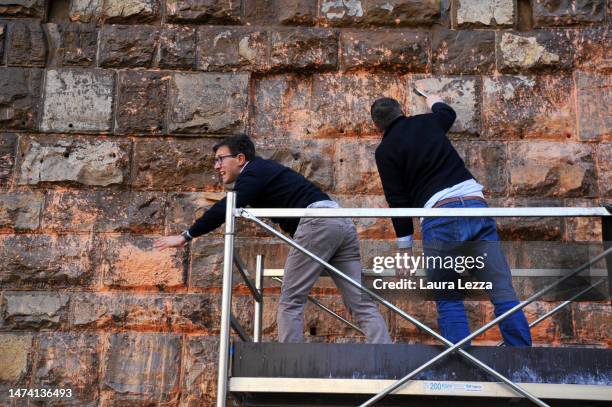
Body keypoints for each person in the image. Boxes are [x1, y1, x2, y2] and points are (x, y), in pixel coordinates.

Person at [155, 134, 392, 344]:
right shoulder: (265, 171)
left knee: (291, 300)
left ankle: (290, 367)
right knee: (359, 301)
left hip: (318, 224)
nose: (217, 166)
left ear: (239, 159)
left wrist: (186, 236)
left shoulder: (253, 172)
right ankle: (387, 355)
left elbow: (226, 207)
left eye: (220, 159)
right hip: (340, 222)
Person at [370, 96, 531, 346]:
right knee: (502, 291)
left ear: (377, 127)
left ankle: (460, 364)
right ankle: (523, 359)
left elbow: (398, 200)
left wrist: (405, 249)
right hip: (476, 207)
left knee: (448, 297)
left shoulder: (385, 151)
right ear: (402, 111)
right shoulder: (427, 122)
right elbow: (448, 113)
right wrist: (433, 99)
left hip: (441, 216)